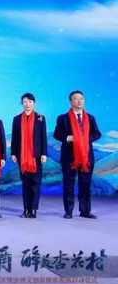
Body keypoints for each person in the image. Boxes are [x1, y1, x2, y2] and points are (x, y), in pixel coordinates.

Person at [53, 90, 101, 219]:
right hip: (69, 157)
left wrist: (85, 139)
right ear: (71, 101)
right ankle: (68, 211)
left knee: (85, 184)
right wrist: (67, 137)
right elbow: (56, 134)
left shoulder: (90, 118)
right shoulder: (63, 118)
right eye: (76, 99)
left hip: (86, 157)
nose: (79, 101)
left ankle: (85, 211)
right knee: (69, 184)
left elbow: (97, 133)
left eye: (81, 99)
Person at [11, 93, 48, 218]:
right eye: (25, 102)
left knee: (36, 183)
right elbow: (14, 138)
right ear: (22, 103)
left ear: (34, 103)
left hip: (36, 156)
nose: (27, 104)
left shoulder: (40, 118)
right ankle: (26, 209)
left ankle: (33, 209)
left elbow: (43, 137)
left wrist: (44, 153)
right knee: (25, 183)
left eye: (30, 102)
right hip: (22, 156)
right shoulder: (17, 119)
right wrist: (13, 153)